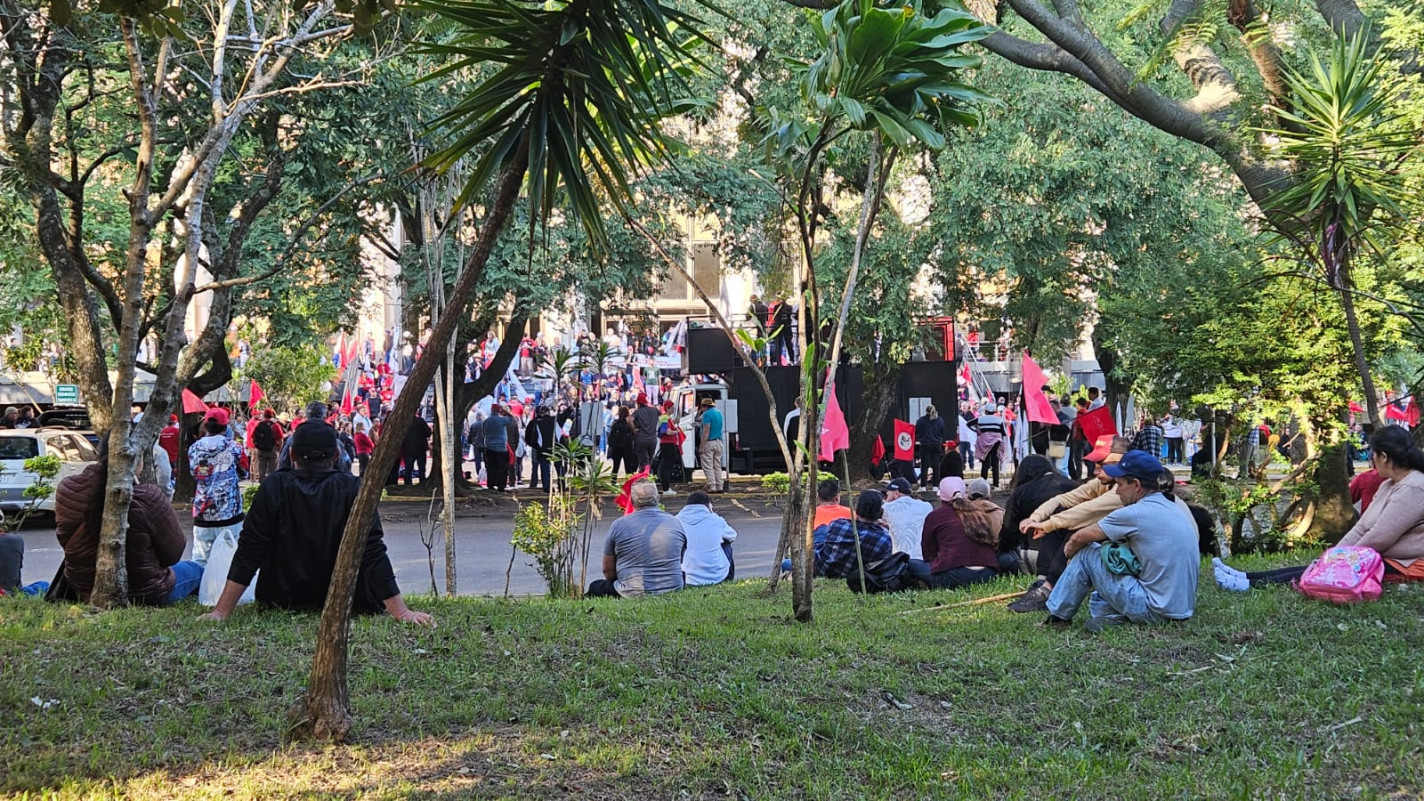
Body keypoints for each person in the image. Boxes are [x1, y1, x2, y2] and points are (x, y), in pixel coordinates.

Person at [200, 421, 433, 625]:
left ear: (291, 455)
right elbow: (371, 551)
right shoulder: (352, 488)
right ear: (335, 456)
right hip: (347, 599)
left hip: (282, 598)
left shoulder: (274, 486)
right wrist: (400, 612)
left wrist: (221, 611)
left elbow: (250, 550)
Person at [1215, 426, 1424, 590]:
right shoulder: (1389, 484)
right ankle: (1245, 576)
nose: (1372, 459)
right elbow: (1362, 528)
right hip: (1382, 557)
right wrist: (1334, 555)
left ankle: (1248, 583)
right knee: (1320, 566)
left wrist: (1343, 559)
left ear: (1384, 457)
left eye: (1373, 454)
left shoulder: (1414, 487)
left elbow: (1380, 536)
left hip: (1404, 563)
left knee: (1320, 572)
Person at [1043, 450, 1200, 630]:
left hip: (1155, 609)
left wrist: (1070, 552)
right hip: (1181, 609)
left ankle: (1058, 617)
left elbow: (1080, 537)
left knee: (1087, 553)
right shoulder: (1172, 506)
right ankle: (1109, 619)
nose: (1117, 491)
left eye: (1119, 484)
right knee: (1110, 559)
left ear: (1136, 484)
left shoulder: (1134, 513)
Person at [55, 444, 202, 605]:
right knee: (196, 570)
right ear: (137, 461)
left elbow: (65, 541)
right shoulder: (148, 496)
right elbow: (173, 554)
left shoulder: (67, 488)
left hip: (83, 588)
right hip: (147, 591)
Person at [1000, 454, 1079, 612]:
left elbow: (1007, 535)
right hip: (1071, 554)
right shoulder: (1075, 487)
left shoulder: (1022, 493)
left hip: (1035, 556)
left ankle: (1045, 585)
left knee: (1003, 558)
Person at [587, 481, 686, 598]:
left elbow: (608, 570)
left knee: (595, 586)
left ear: (632, 502)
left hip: (632, 590)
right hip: (673, 587)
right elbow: (679, 558)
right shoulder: (674, 522)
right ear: (658, 498)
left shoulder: (619, 525)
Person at [188, 408, 249, 567]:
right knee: (231, 559)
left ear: (205, 426)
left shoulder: (194, 448)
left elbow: (195, 473)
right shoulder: (234, 447)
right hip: (230, 513)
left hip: (203, 512)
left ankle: (199, 590)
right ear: (225, 426)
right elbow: (244, 471)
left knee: (200, 560)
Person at [918, 477, 1001, 589]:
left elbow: (928, 553)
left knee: (910, 564)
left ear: (941, 497)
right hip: (988, 572)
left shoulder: (935, 516)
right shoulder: (979, 513)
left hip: (954, 574)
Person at [816, 489, 895, 579]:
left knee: (822, 528)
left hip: (823, 569)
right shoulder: (884, 538)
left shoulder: (838, 524)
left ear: (856, 508)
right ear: (880, 512)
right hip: (855, 577)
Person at [676, 490, 738, 585]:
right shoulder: (715, 519)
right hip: (718, 575)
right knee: (726, 544)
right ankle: (729, 579)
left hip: (687, 577)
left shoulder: (676, 521)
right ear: (708, 505)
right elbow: (732, 536)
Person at [881, 477, 932, 560]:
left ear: (896, 493)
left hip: (901, 559)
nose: (885, 498)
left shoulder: (886, 508)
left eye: (887, 495)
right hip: (924, 558)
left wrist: (886, 502)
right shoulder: (926, 506)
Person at [524, 405, 561, 493]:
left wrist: (534, 445)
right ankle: (560, 484)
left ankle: (542, 485)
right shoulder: (553, 421)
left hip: (539, 448)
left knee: (540, 466)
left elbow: (528, 436)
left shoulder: (534, 422)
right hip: (554, 446)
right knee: (557, 467)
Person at [972, 403, 1007, 488]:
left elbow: (969, 424)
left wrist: (977, 430)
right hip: (996, 442)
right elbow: (1004, 432)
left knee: (985, 462)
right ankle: (996, 483)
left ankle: (983, 482)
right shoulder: (999, 420)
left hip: (984, 442)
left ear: (986, 411)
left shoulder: (980, 419)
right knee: (995, 463)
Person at [655, 400, 684, 494]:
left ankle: (666, 487)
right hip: (668, 444)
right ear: (667, 408)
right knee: (667, 466)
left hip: (668, 444)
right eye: (672, 408)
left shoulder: (667, 418)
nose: (673, 410)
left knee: (667, 465)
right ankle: (666, 488)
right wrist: (677, 431)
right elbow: (666, 431)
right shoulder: (664, 418)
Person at [915, 405, 948, 489]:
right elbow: (943, 431)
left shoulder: (921, 420)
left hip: (925, 445)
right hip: (936, 445)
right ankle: (935, 486)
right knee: (936, 466)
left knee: (924, 466)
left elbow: (917, 431)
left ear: (926, 411)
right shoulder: (939, 420)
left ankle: (923, 486)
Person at [698, 397, 726, 493]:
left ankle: (712, 486)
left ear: (705, 406)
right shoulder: (719, 413)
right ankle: (719, 486)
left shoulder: (706, 414)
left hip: (709, 442)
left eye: (702, 406)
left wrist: (701, 446)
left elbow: (706, 430)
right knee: (717, 465)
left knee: (708, 465)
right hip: (719, 441)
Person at [482, 404, 511, 492]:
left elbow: (484, 433)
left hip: (489, 447)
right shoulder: (502, 420)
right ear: (499, 410)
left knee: (491, 467)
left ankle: (491, 484)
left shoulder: (486, 421)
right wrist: (506, 412)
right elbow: (512, 419)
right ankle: (501, 485)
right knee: (502, 468)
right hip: (501, 448)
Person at [250, 410, 282, 482]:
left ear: (264, 415)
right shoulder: (276, 425)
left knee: (261, 470)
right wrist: (278, 449)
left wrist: (257, 447)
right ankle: (272, 487)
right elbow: (281, 439)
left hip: (261, 450)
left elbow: (253, 437)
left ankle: (262, 486)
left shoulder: (259, 425)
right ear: (272, 416)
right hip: (273, 449)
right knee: (273, 470)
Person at [401, 412, 432, 486]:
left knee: (408, 469)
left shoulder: (404, 423)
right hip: (420, 448)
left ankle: (407, 484)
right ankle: (422, 482)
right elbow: (428, 432)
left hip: (408, 448)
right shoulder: (420, 421)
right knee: (421, 468)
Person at [631, 392, 660, 471]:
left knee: (643, 462)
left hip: (641, 439)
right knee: (650, 460)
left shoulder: (637, 412)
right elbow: (663, 417)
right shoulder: (655, 410)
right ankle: (647, 475)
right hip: (653, 439)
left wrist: (634, 429)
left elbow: (629, 420)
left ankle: (643, 477)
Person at [606, 406, 637, 478]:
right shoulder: (628, 424)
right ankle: (628, 484)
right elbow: (634, 433)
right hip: (627, 448)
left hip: (616, 448)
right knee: (628, 468)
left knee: (615, 467)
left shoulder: (615, 423)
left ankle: (613, 483)